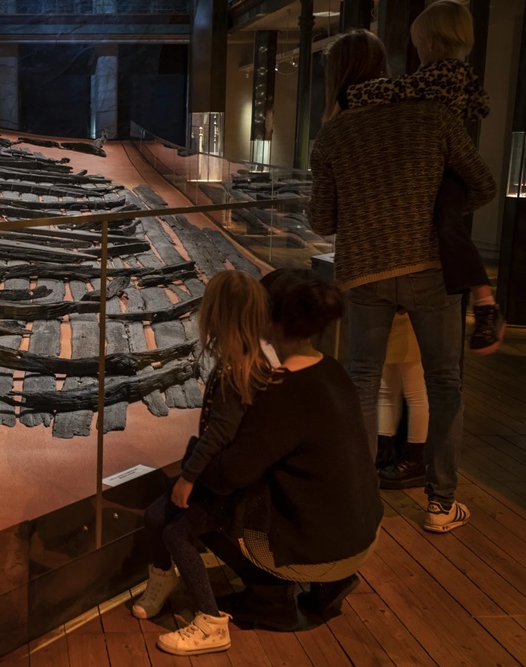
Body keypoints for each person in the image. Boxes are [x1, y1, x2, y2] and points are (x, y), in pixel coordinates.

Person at [308, 29, 496, 531]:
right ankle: (441, 503)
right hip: (428, 268)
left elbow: (322, 221)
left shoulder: (334, 135)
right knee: (444, 383)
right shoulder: (432, 116)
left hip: (364, 271)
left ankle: (360, 502)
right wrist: (434, 211)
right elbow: (483, 183)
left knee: (363, 384)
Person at [191, 269, 383, 632]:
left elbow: (231, 474)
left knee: (204, 502)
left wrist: (192, 464)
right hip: (362, 535)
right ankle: (329, 585)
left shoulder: (281, 390)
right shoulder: (331, 369)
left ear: (269, 321)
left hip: (325, 550)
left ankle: (270, 600)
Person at [340, 0, 503, 355]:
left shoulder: (437, 76)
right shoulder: (461, 75)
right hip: (447, 169)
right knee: (446, 227)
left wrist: (354, 94)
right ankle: (473, 299)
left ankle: (485, 301)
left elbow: (397, 90)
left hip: (443, 171)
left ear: (428, 43)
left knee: (447, 225)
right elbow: (482, 106)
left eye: (417, 45)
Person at [132, 270, 273, 657]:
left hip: (223, 483)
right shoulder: (247, 362)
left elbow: (219, 434)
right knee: (155, 516)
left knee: (176, 534)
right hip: (219, 475)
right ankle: (164, 578)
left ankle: (211, 622)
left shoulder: (236, 371)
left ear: (216, 316)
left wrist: (188, 478)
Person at [377, 311, 429, 488]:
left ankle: (413, 460)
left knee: (411, 393)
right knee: (391, 391)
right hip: (397, 316)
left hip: (401, 316)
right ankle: (389, 456)